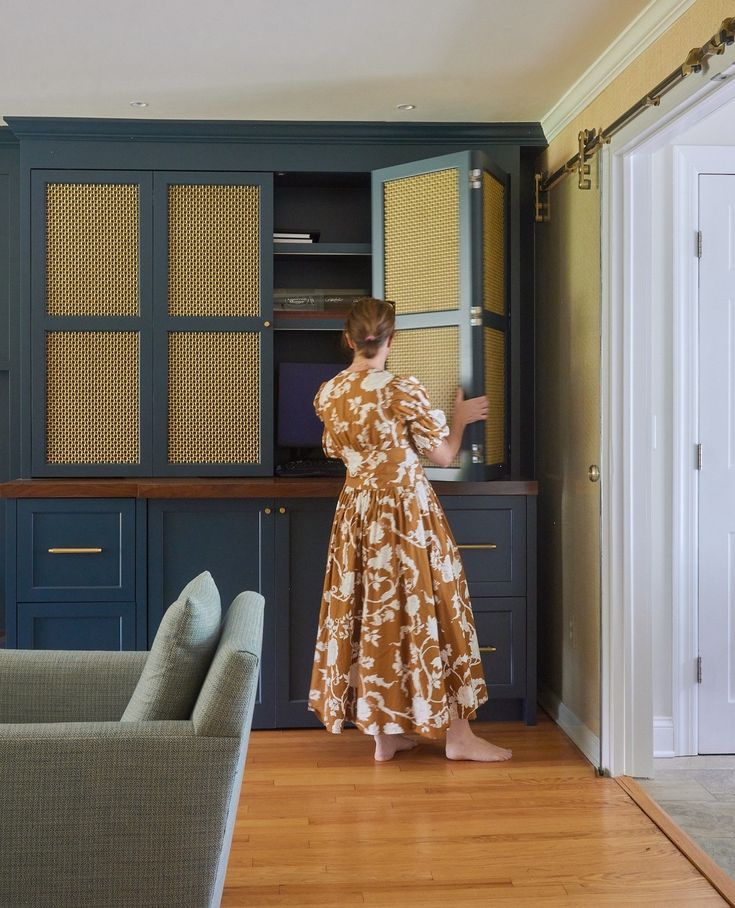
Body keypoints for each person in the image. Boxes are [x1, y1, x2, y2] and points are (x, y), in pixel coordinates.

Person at [308, 297, 512, 764]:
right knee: (434, 610)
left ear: (349, 338)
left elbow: (335, 450)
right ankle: (459, 738)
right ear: (391, 340)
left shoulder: (329, 392)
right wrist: (458, 420)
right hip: (405, 514)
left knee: (373, 617)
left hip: (357, 514)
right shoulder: (401, 388)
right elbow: (442, 457)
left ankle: (385, 737)